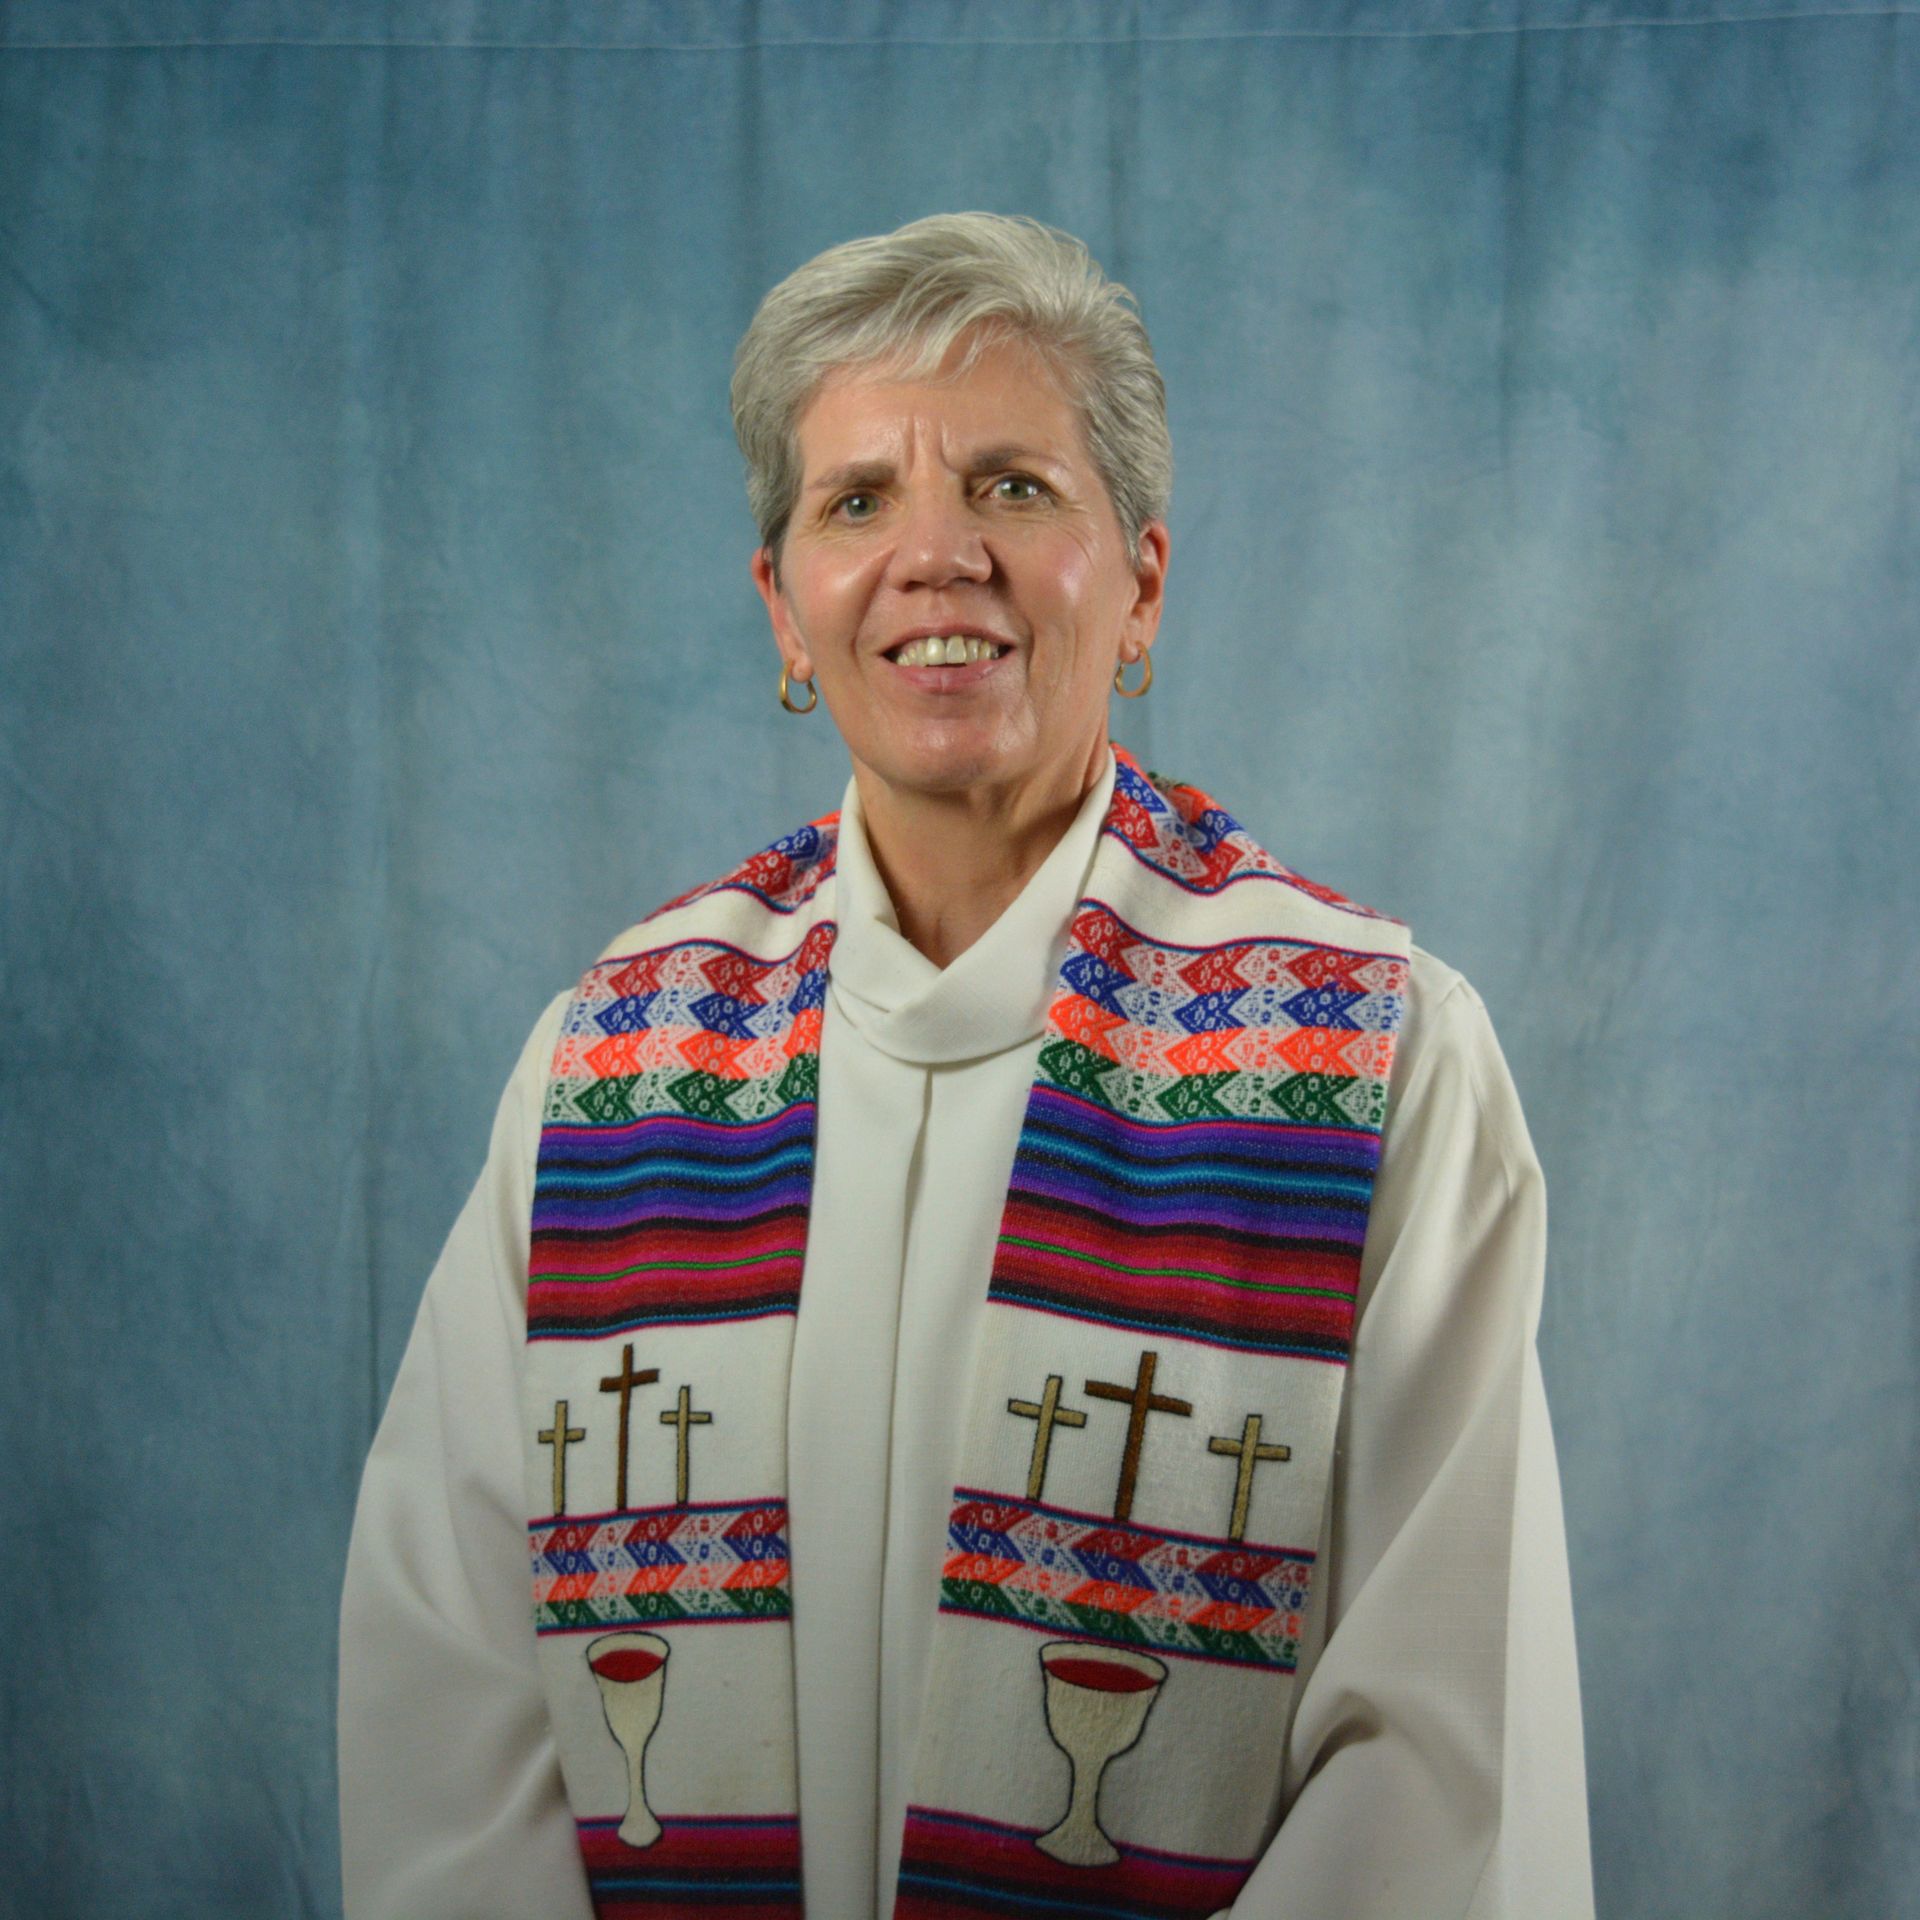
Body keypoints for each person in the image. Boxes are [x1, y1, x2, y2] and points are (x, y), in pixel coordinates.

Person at [338, 211, 1595, 1920]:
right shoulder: (617, 1067)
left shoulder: (1369, 1060)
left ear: (1141, 577)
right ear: (783, 605)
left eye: (1012, 485)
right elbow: (452, 1691)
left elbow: (1447, 1756)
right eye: (859, 502)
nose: (938, 559)